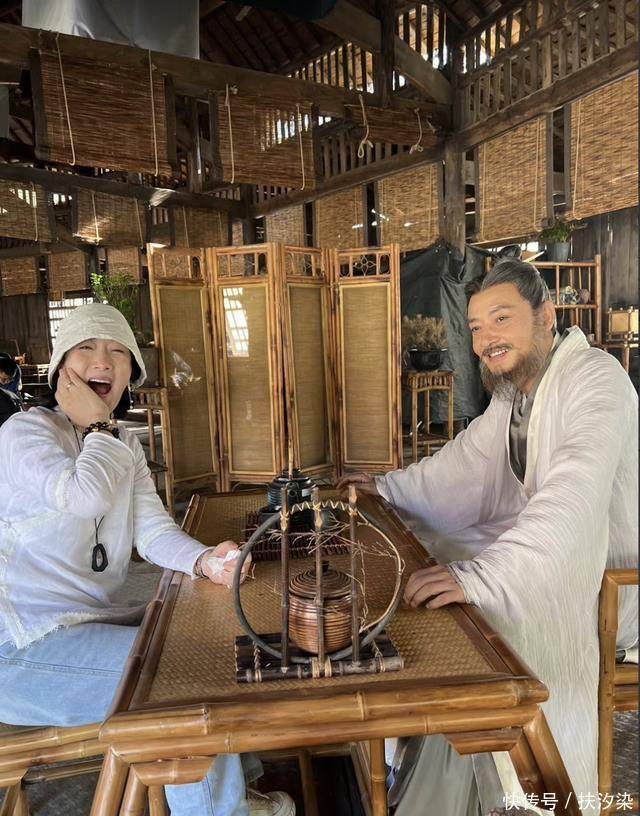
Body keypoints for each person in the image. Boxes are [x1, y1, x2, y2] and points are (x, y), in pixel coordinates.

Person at [338, 259, 638, 816]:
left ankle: (487, 781)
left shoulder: (596, 380)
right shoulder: (516, 392)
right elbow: (462, 468)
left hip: (607, 579)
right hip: (553, 553)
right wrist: (386, 488)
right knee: (426, 579)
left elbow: (571, 498)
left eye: (502, 319)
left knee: (470, 618)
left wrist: (481, 577)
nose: (485, 340)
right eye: (476, 327)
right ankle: (436, 767)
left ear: (546, 316)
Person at [0, 303, 295, 816]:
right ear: (61, 368)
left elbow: (152, 530)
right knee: (176, 679)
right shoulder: (26, 433)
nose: (103, 361)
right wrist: (99, 427)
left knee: (206, 639)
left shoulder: (122, 445)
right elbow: (85, 496)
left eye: (118, 352)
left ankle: (230, 792)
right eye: (86, 348)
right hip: (18, 647)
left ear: (131, 372)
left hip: (80, 625)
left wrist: (204, 561)